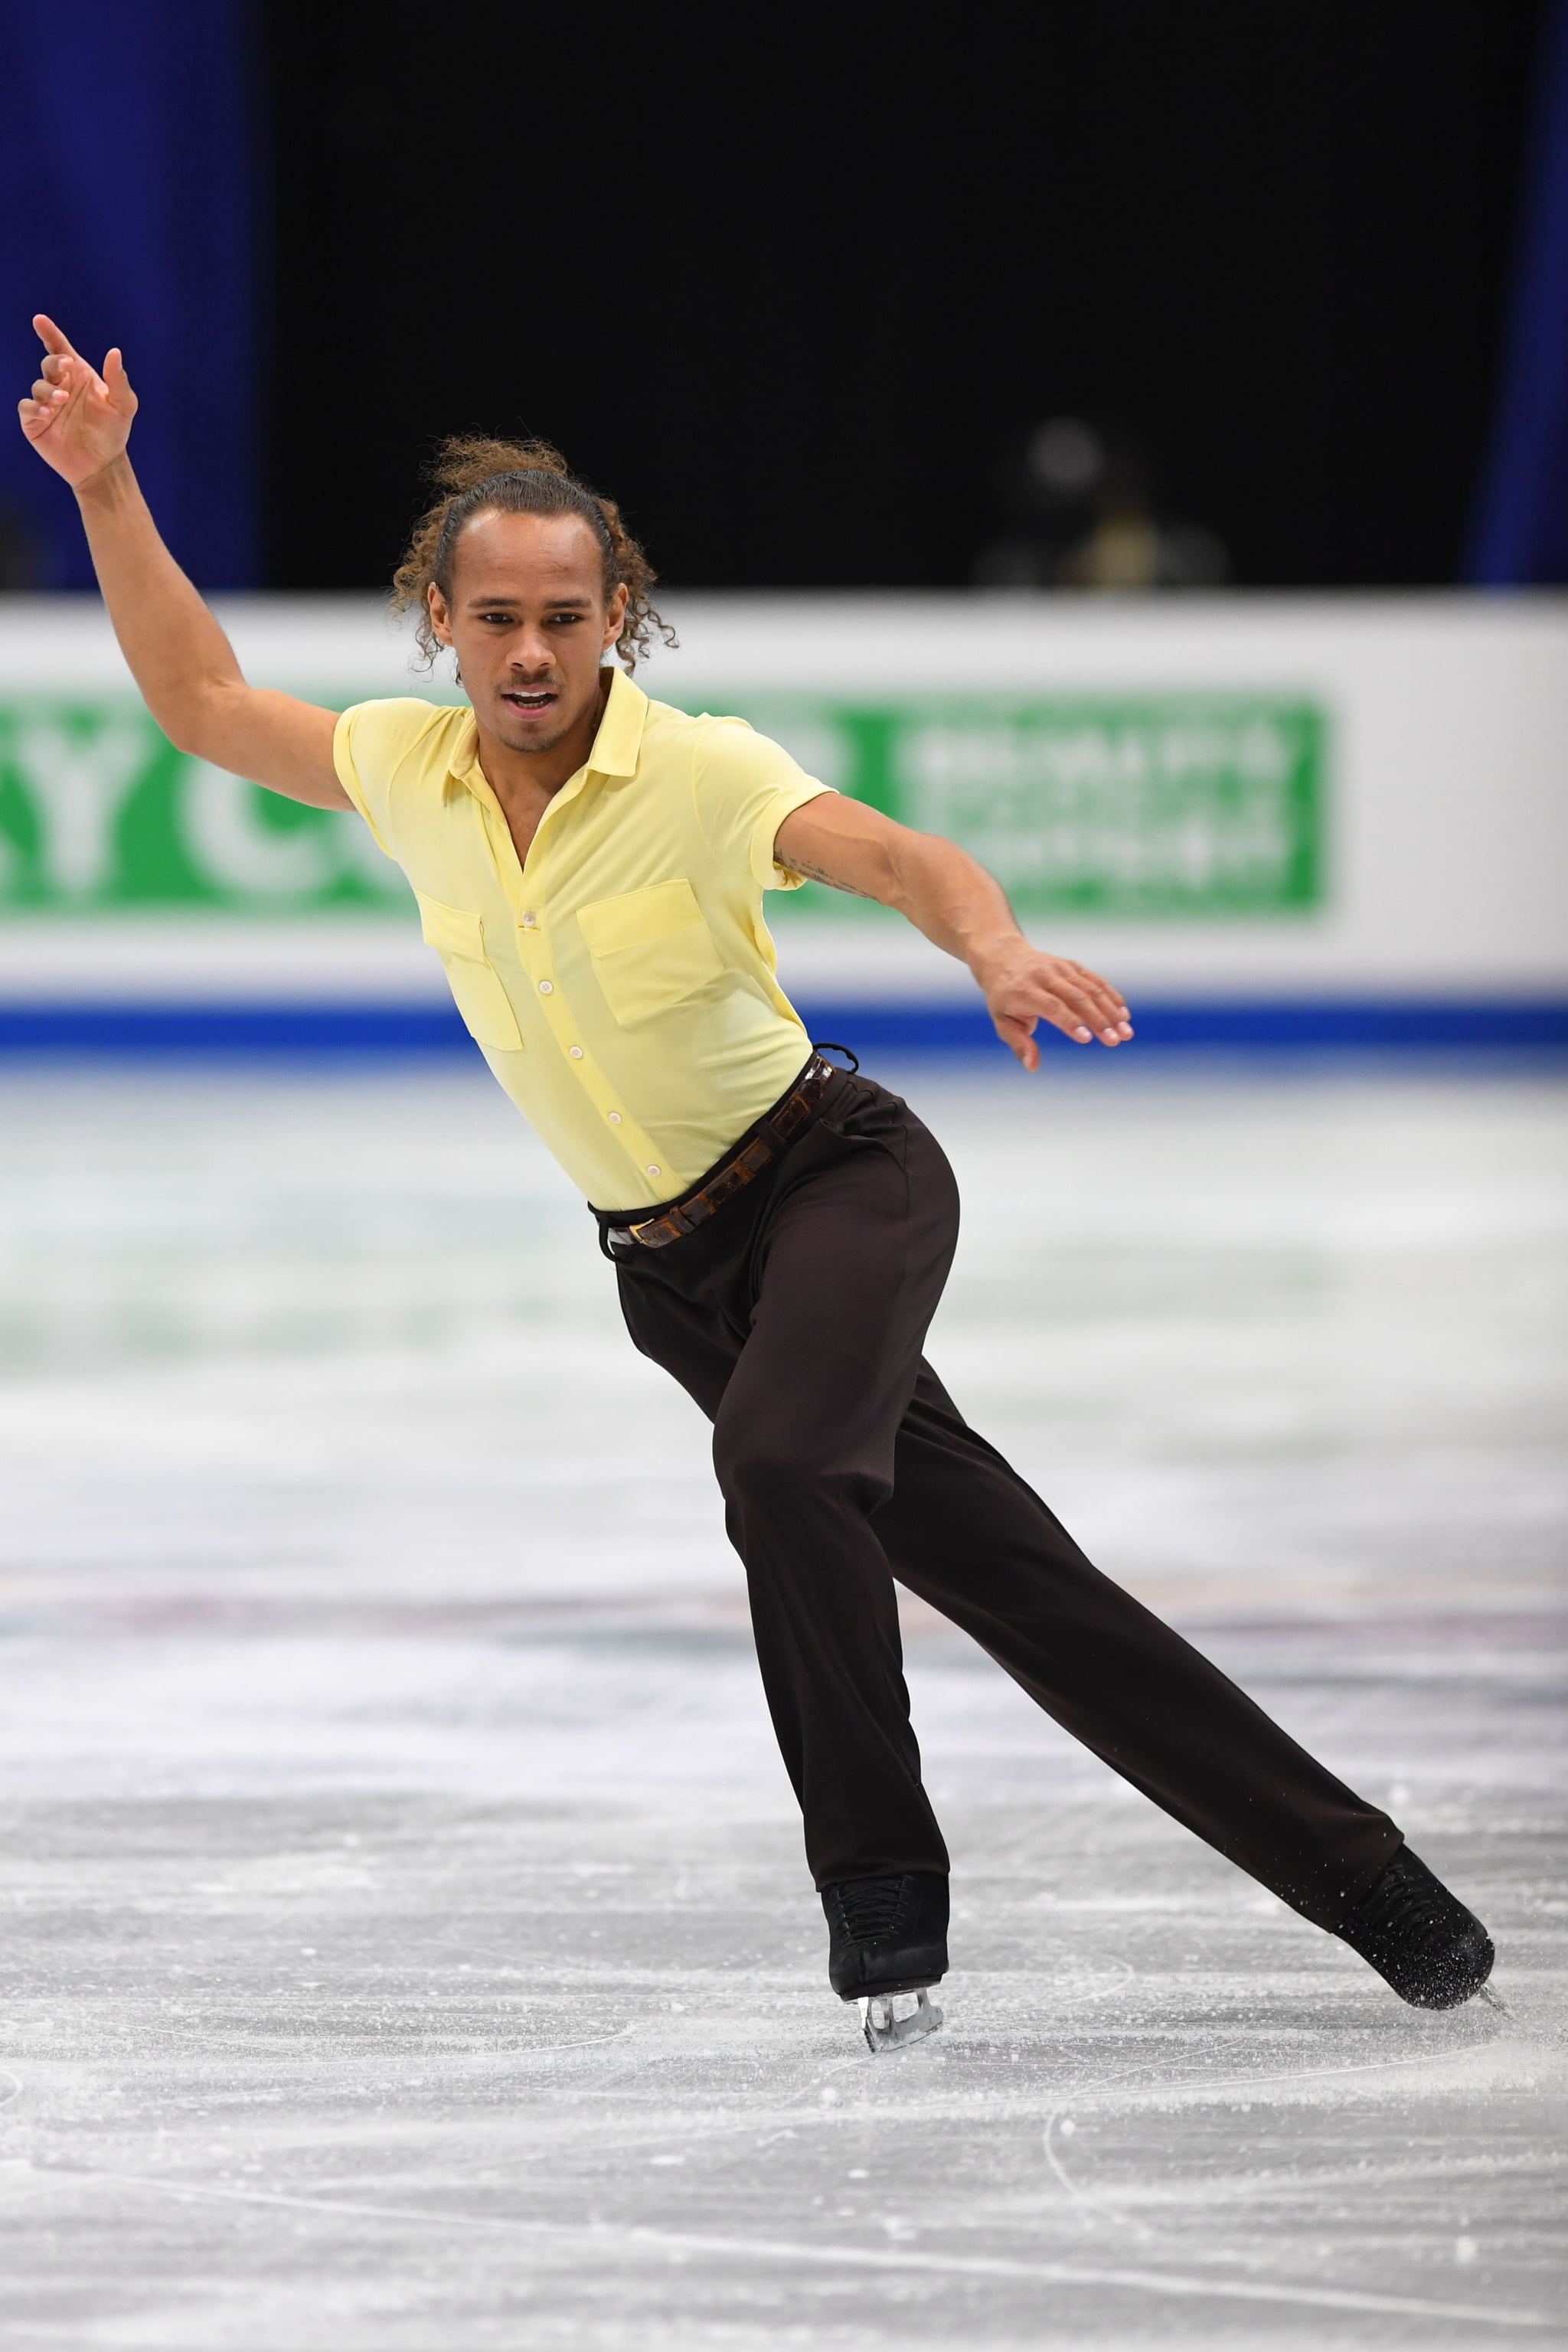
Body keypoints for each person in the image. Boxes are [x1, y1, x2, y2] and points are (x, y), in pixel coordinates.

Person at [19, 317, 1494, 2050]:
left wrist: (991, 944)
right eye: (493, 617)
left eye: (565, 618)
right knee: (1027, 1590)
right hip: (671, 1274)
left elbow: (887, 852)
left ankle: (879, 1904)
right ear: (441, 622)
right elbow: (197, 699)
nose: (528, 651)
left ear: (612, 620)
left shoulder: (696, 766)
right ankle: (1388, 1899)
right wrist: (108, 486)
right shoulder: (400, 770)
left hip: (835, 1187)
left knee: (783, 1459)